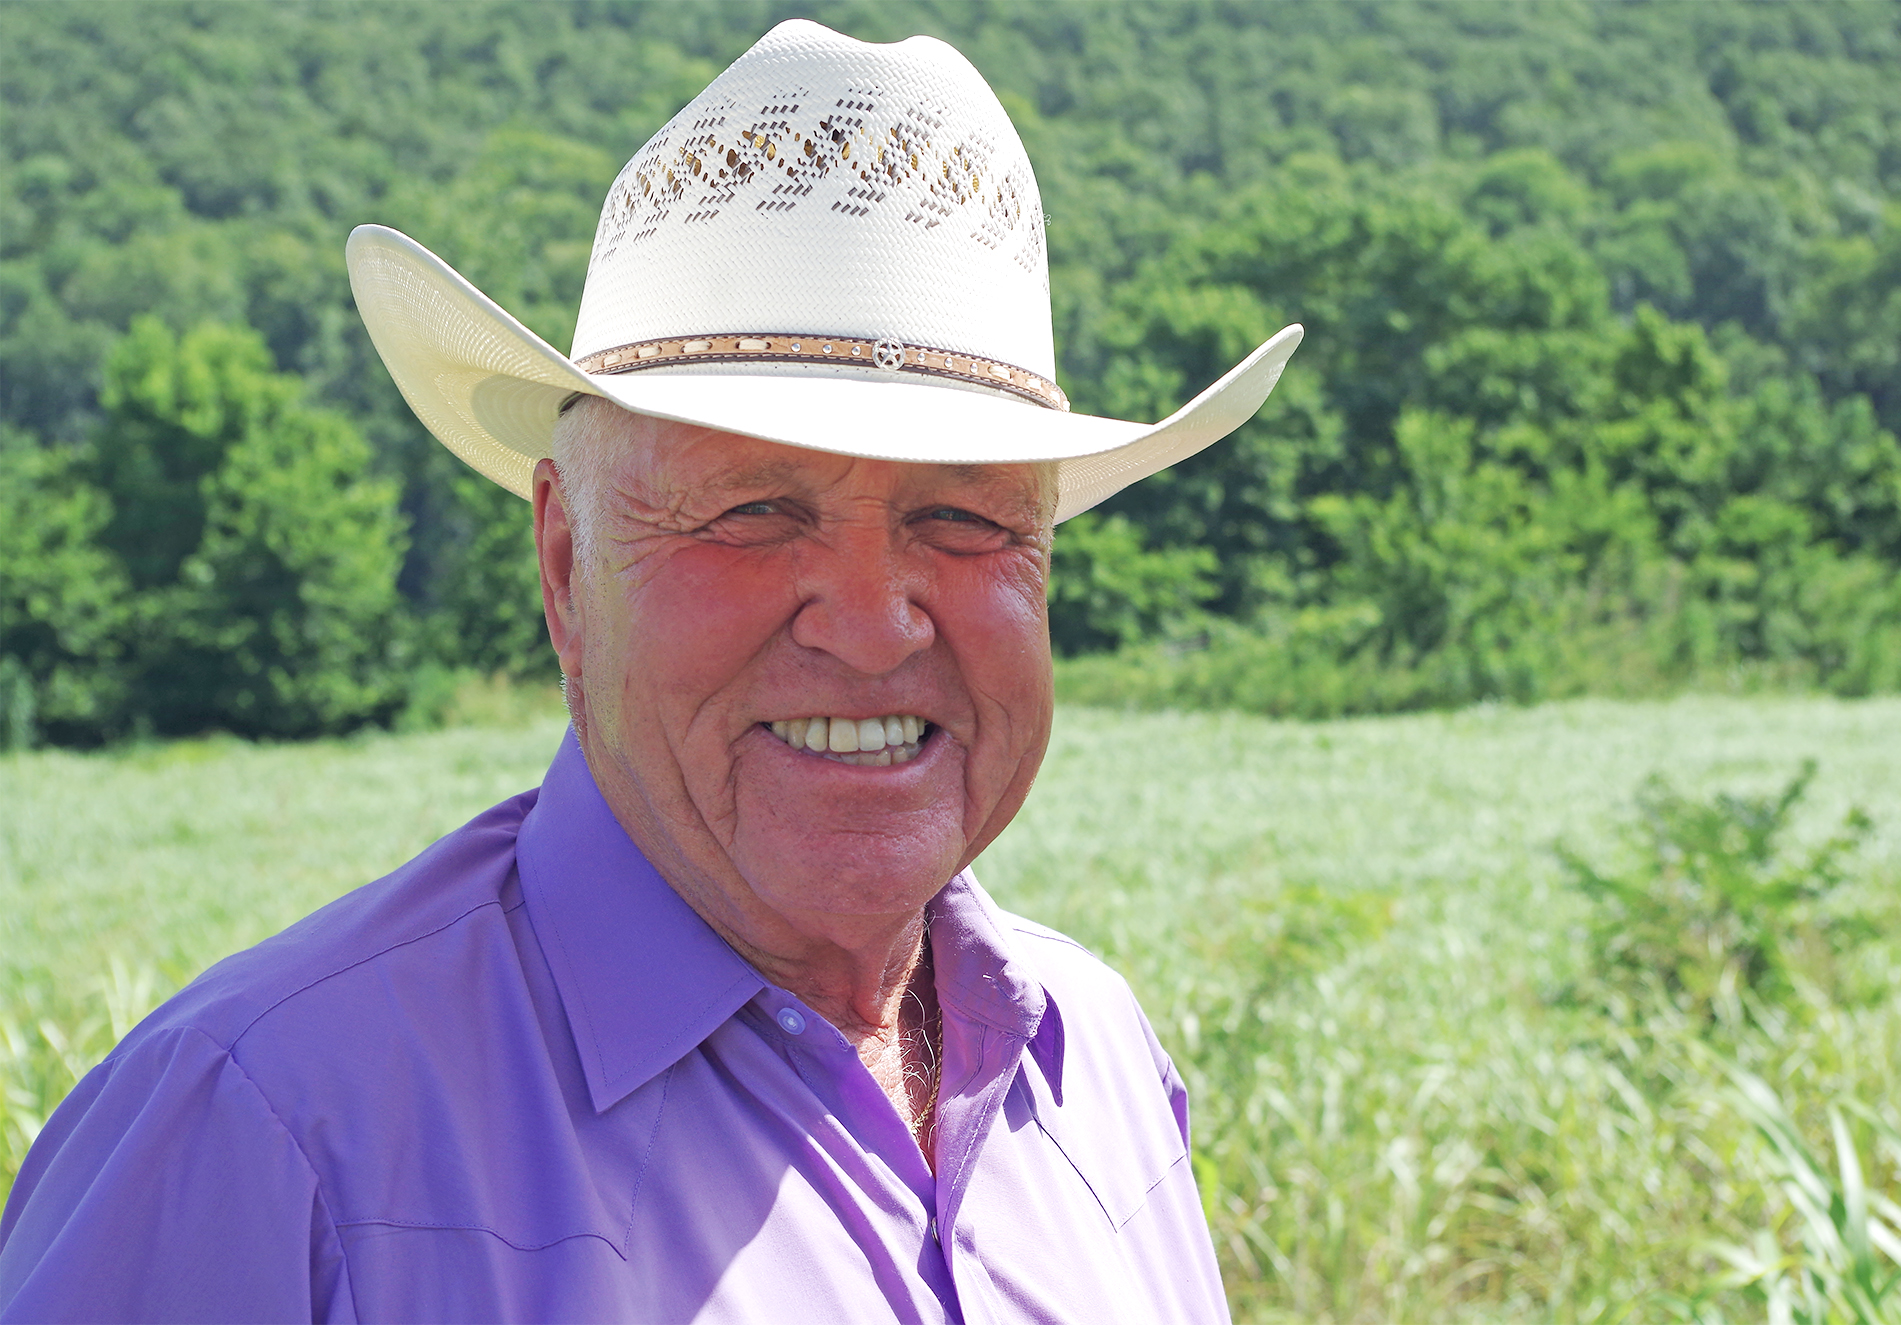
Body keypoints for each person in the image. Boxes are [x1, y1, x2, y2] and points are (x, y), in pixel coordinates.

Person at [0, 19, 1298, 1323]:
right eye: (755, 510)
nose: (871, 622)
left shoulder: (1104, 1064)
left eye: (964, 518)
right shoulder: (269, 1141)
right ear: (566, 564)